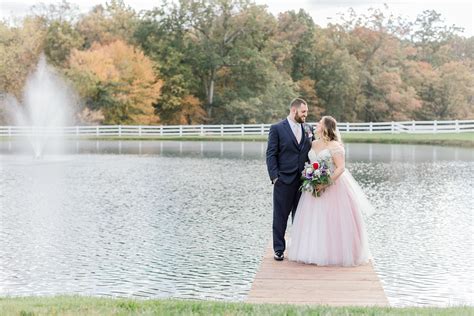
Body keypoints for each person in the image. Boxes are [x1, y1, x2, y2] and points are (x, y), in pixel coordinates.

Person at [288, 116, 372, 266]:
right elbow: (310, 162)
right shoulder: (313, 143)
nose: (316, 124)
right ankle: (312, 251)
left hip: (333, 186)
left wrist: (325, 183)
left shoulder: (335, 146)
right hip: (313, 186)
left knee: (332, 220)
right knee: (313, 219)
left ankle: (334, 254)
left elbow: (341, 168)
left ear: (326, 127)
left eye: (319, 123)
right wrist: (311, 177)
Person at [266, 98, 313, 261]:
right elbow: (271, 154)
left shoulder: (308, 128)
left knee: (301, 216)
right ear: (294, 111)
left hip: (304, 181)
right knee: (280, 216)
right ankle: (279, 249)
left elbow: (313, 151)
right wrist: (274, 177)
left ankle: (299, 248)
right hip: (283, 180)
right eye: (304, 112)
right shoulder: (277, 129)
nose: (306, 115)